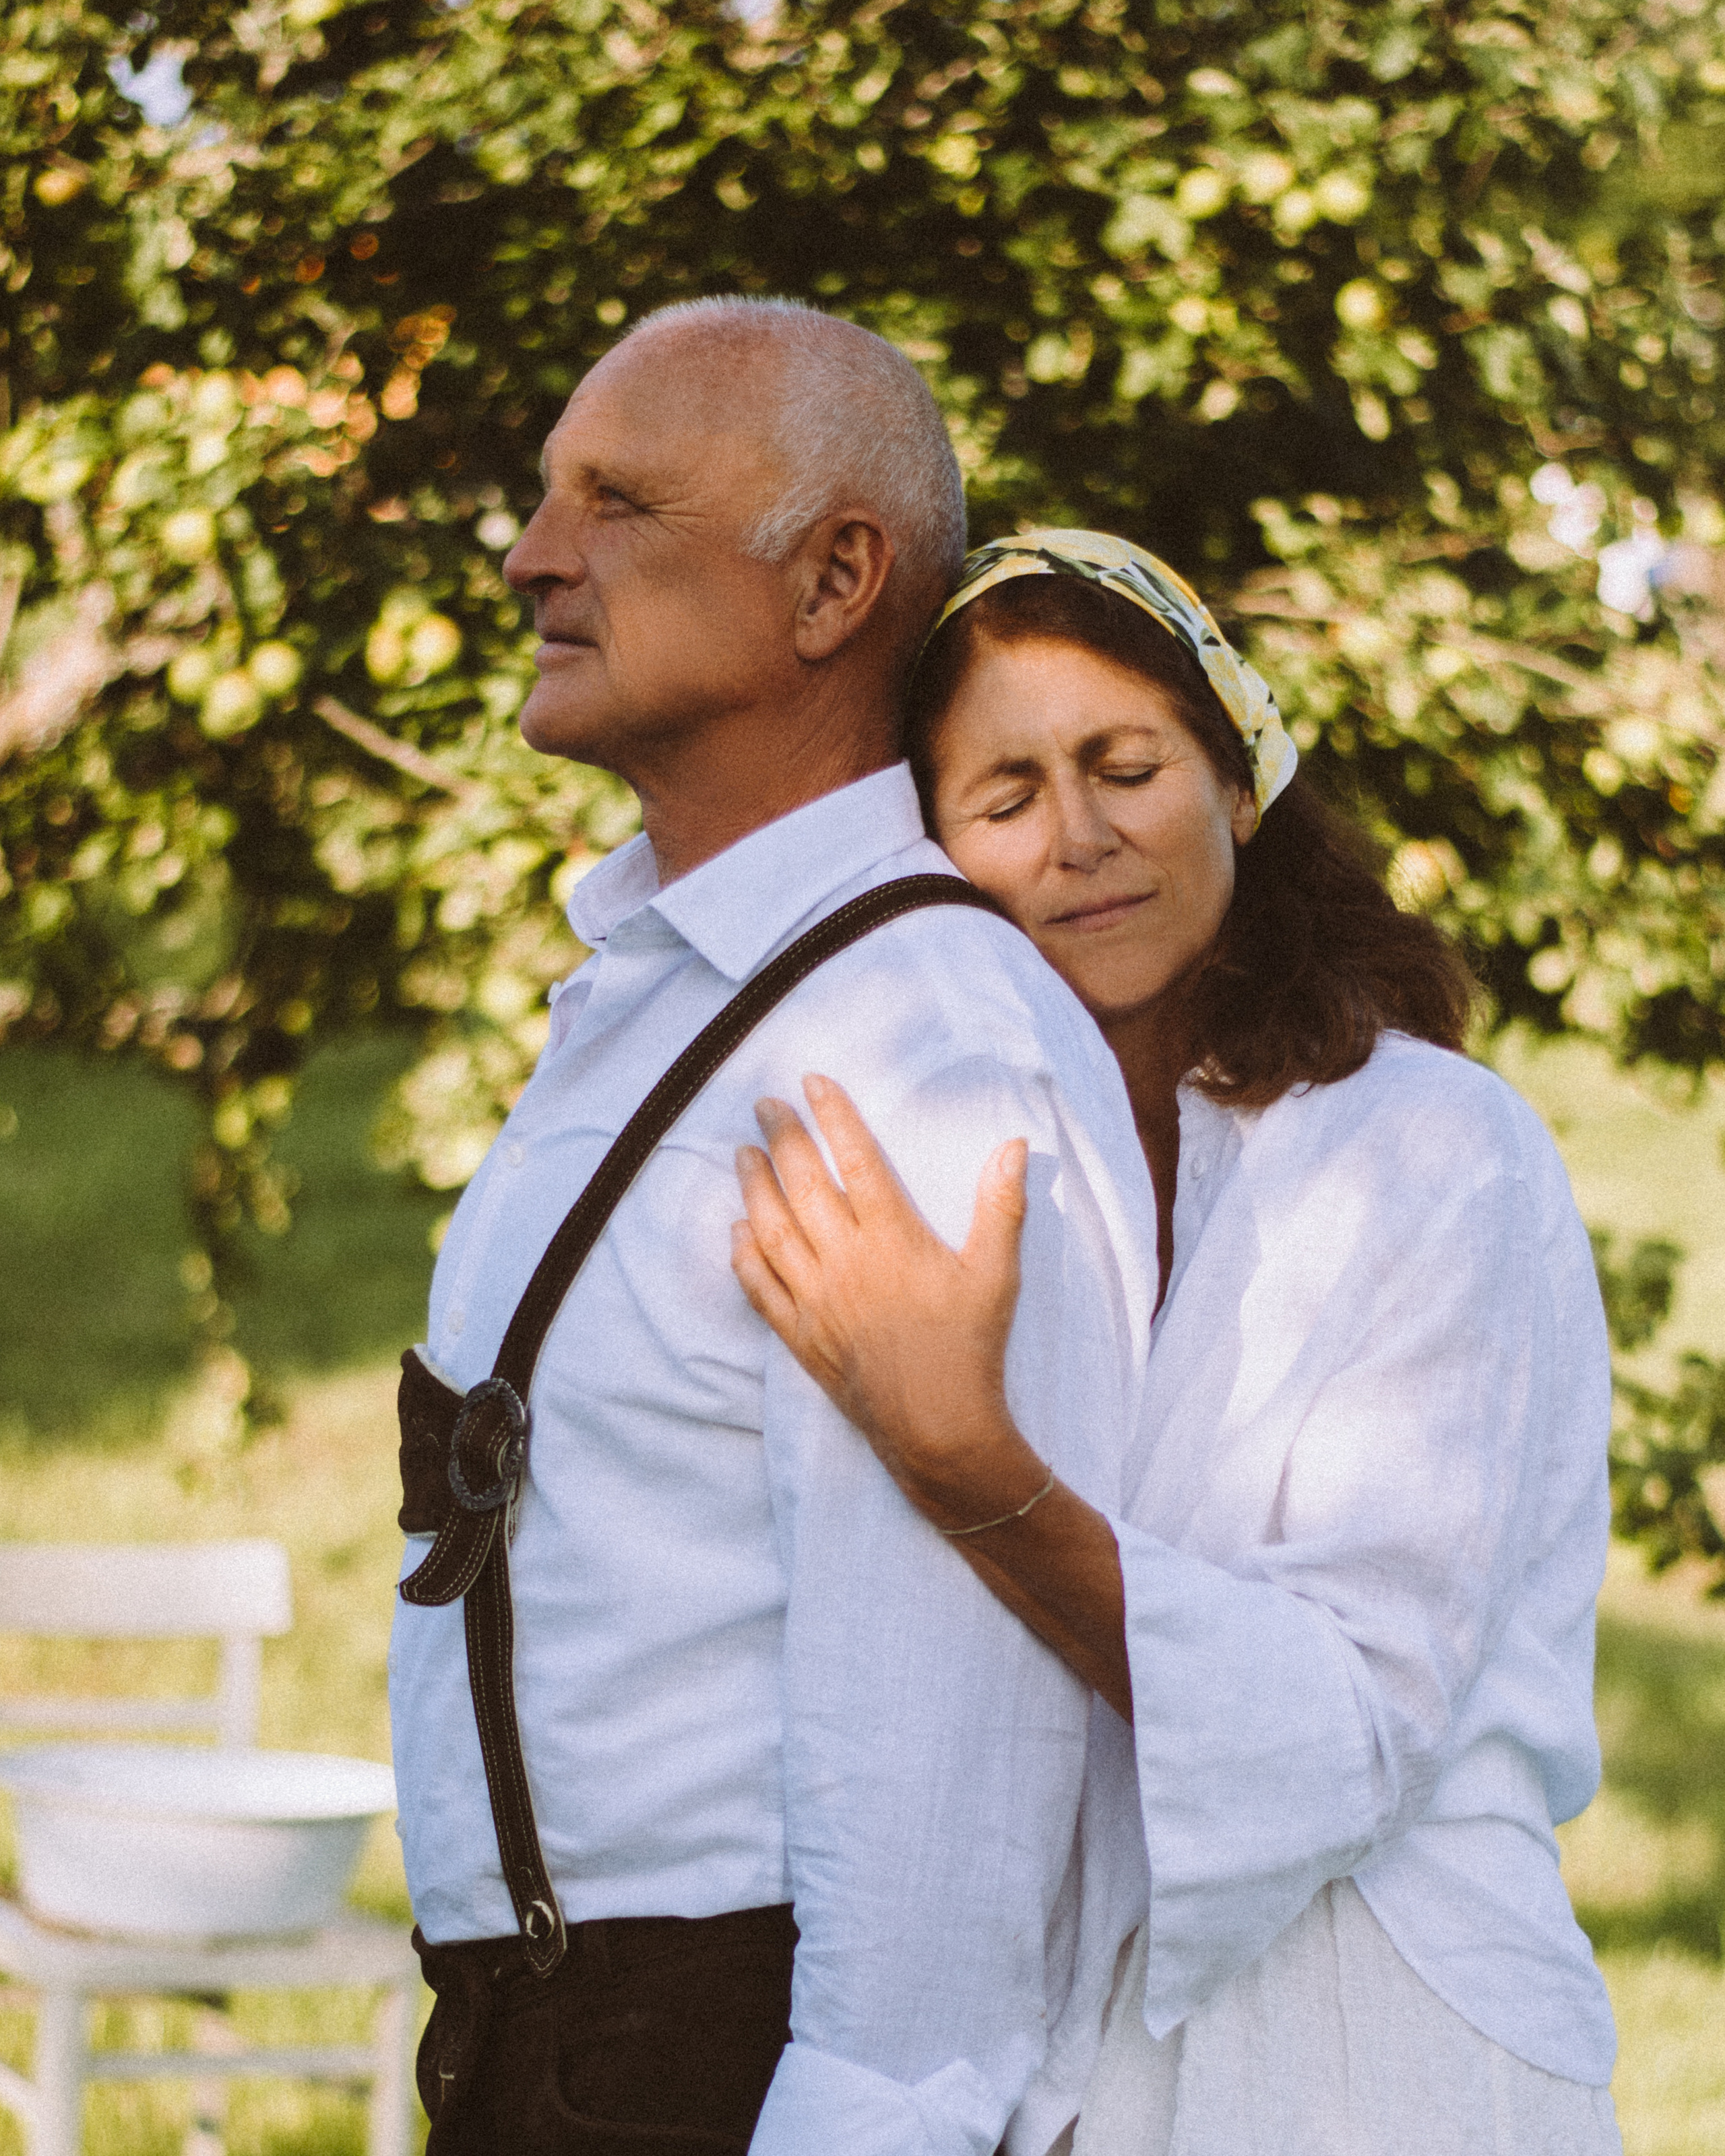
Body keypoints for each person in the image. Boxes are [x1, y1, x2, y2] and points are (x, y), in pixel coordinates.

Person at [731, 530, 1623, 2155]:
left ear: (1237, 775)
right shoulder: (961, 1162)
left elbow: (1345, 1720)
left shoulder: (1431, 1154)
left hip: (1382, 2041)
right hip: (1054, 2055)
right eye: (1002, 799)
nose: (1075, 838)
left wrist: (964, 1462)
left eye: (1124, 765)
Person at [387, 323, 1164, 2153]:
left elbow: (952, 1858)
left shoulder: (916, 1053)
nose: (529, 554)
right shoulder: (671, 990)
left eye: (620, 502)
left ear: (833, 582)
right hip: (548, 2051)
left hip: (733, 2066)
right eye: (547, 493)